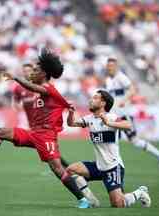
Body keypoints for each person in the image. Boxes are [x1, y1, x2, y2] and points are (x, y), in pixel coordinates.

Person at [0, 49, 91, 208]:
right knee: (1, 132)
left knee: (57, 169)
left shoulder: (48, 88)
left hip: (47, 136)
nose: (33, 72)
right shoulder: (39, 88)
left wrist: (15, 78)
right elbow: (36, 93)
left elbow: (36, 89)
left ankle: (83, 199)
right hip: (34, 133)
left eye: (36, 70)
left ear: (45, 74)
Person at [11, 63, 100, 207]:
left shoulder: (41, 88)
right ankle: (80, 187)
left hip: (44, 133)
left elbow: (43, 92)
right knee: (56, 164)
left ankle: (81, 190)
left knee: (57, 166)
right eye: (28, 71)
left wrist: (16, 78)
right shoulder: (23, 90)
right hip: (34, 130)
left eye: (33, 70)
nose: (30, 73)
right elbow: (19, 99)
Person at [66, 89, 151, 208]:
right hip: (99, 165)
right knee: (71, 170)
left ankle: (140, 192)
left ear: (103, 103)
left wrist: (108, 123)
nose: (91, 100)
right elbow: (71, 123)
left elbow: (128, 125)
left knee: (118, 204)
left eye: (95, 98)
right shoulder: (89, 118)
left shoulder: (111, 117)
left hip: (113, 167)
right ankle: (91, 201)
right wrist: (70, 113)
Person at [104, 55, 159, 168]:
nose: (110, 68)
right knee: (112, 142)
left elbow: (132, 89)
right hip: (113, 116)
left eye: (112, 66)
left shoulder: (121, 77)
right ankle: (114, 165)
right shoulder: (108, 80)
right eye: (108, 66)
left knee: (135, 141)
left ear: (116, 67)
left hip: (123, 115)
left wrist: (123, 100)